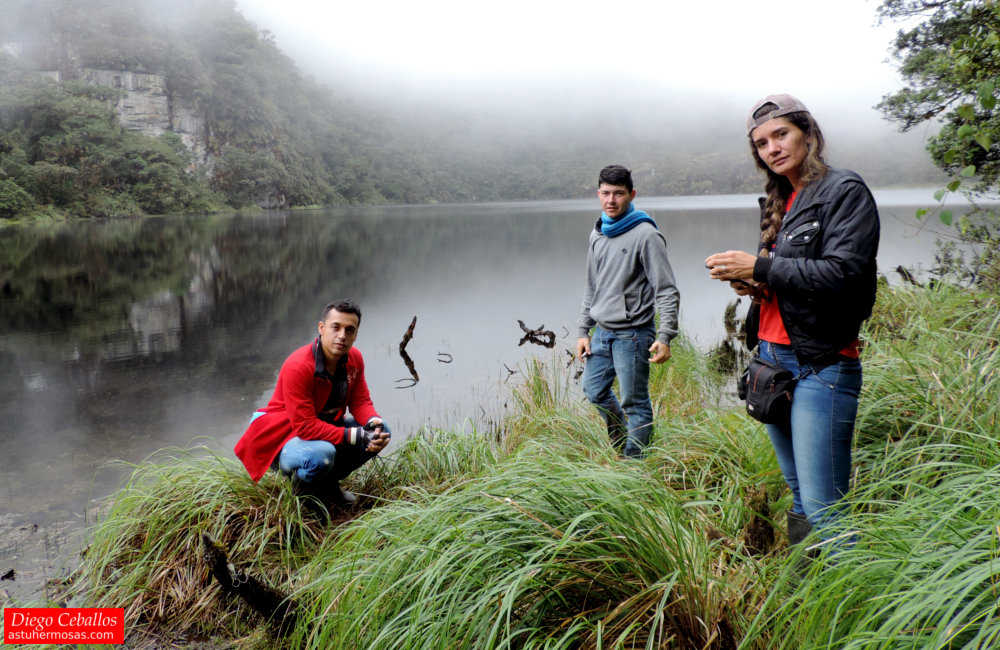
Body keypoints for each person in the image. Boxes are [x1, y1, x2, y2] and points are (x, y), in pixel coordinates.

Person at [705, 94, 880, 546]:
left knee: (827, 507)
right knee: (801, 493)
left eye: (781, 134)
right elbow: (791, 279)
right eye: (762, 143)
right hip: (773, 361)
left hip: (822, 363)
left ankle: (856, 607)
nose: (773, 148)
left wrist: (760, 268)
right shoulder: (779, 199)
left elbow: (846, 275)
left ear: (808, 132)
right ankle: (807, 598)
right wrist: (754, 286)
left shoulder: (844, 191)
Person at [234, 299, 390, 511]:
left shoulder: (354, 358)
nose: (342, 335)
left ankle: (327, 485)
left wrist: (373, 423)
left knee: (383, 430)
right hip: (284, 438)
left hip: (320, 431)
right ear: (321, 328)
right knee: (321, 455)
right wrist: (357, 435)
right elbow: (305, 427)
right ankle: (302, 500)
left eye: (349, 330)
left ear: (356, 335)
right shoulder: (298, 366)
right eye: (336, 327)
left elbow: (360, 401)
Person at [576, 164, 680, 458]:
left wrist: (666, 335)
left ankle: (635, 465)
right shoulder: (598, 233)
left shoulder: (646, 235)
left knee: (635, 402)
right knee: (594, 392)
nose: (611, 200)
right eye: (606, 193)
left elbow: (666, 289)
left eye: (618, 194)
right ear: (598, 194)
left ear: (631, 195)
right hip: (601, 333)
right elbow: (591, 285)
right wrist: (583, 330)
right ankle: (622, 442)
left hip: (633, 334)